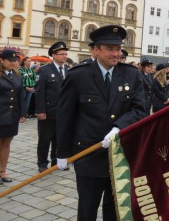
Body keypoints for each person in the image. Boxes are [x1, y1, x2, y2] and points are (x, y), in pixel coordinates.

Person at [56, 25, 146, 220]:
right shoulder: (78, 75)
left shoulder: (131, 74)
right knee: (87, 208)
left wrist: (118, 127)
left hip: (120, 154)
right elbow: (65, 117)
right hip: (88, 154)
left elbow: (140, 109)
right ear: (95, 50)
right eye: (110, 49)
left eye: (118, 49)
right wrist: (62, 153)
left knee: (115, 209)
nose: (116, 54)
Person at [35, 42, 69, 172]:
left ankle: (56, 162)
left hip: (63, 112)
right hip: (48, 112)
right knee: (45, 139)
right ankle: (42, 163)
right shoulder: (44, 71)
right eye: (61, 54)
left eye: (66, 54)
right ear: (53, 55)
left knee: (59, 138)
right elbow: (39, 92)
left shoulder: (67, 70)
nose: (64, 56)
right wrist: (40, 111)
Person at [0, 49, 26, 185]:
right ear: (2, 60)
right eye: (10, 60)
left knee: (7, 144)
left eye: (15, 60)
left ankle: (2, 170)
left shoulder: (17, 75)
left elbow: (21, 95)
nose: (13, 63)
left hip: (12, 115)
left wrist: (23, 113)